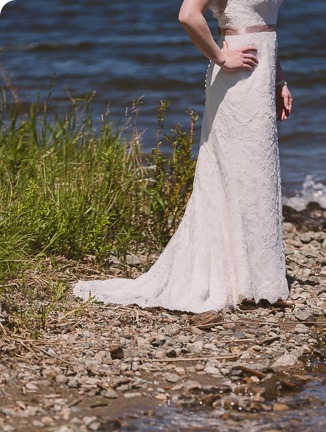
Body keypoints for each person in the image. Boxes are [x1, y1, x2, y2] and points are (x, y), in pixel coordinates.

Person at [73, 0, 293, 314]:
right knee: (236, 173)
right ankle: (238, 280)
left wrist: (280, 80)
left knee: (258, 174)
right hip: (236, 81)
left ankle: (260, 280)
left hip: (262, 76)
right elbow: (188, 15)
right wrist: (220, 57)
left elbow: (265, 31)